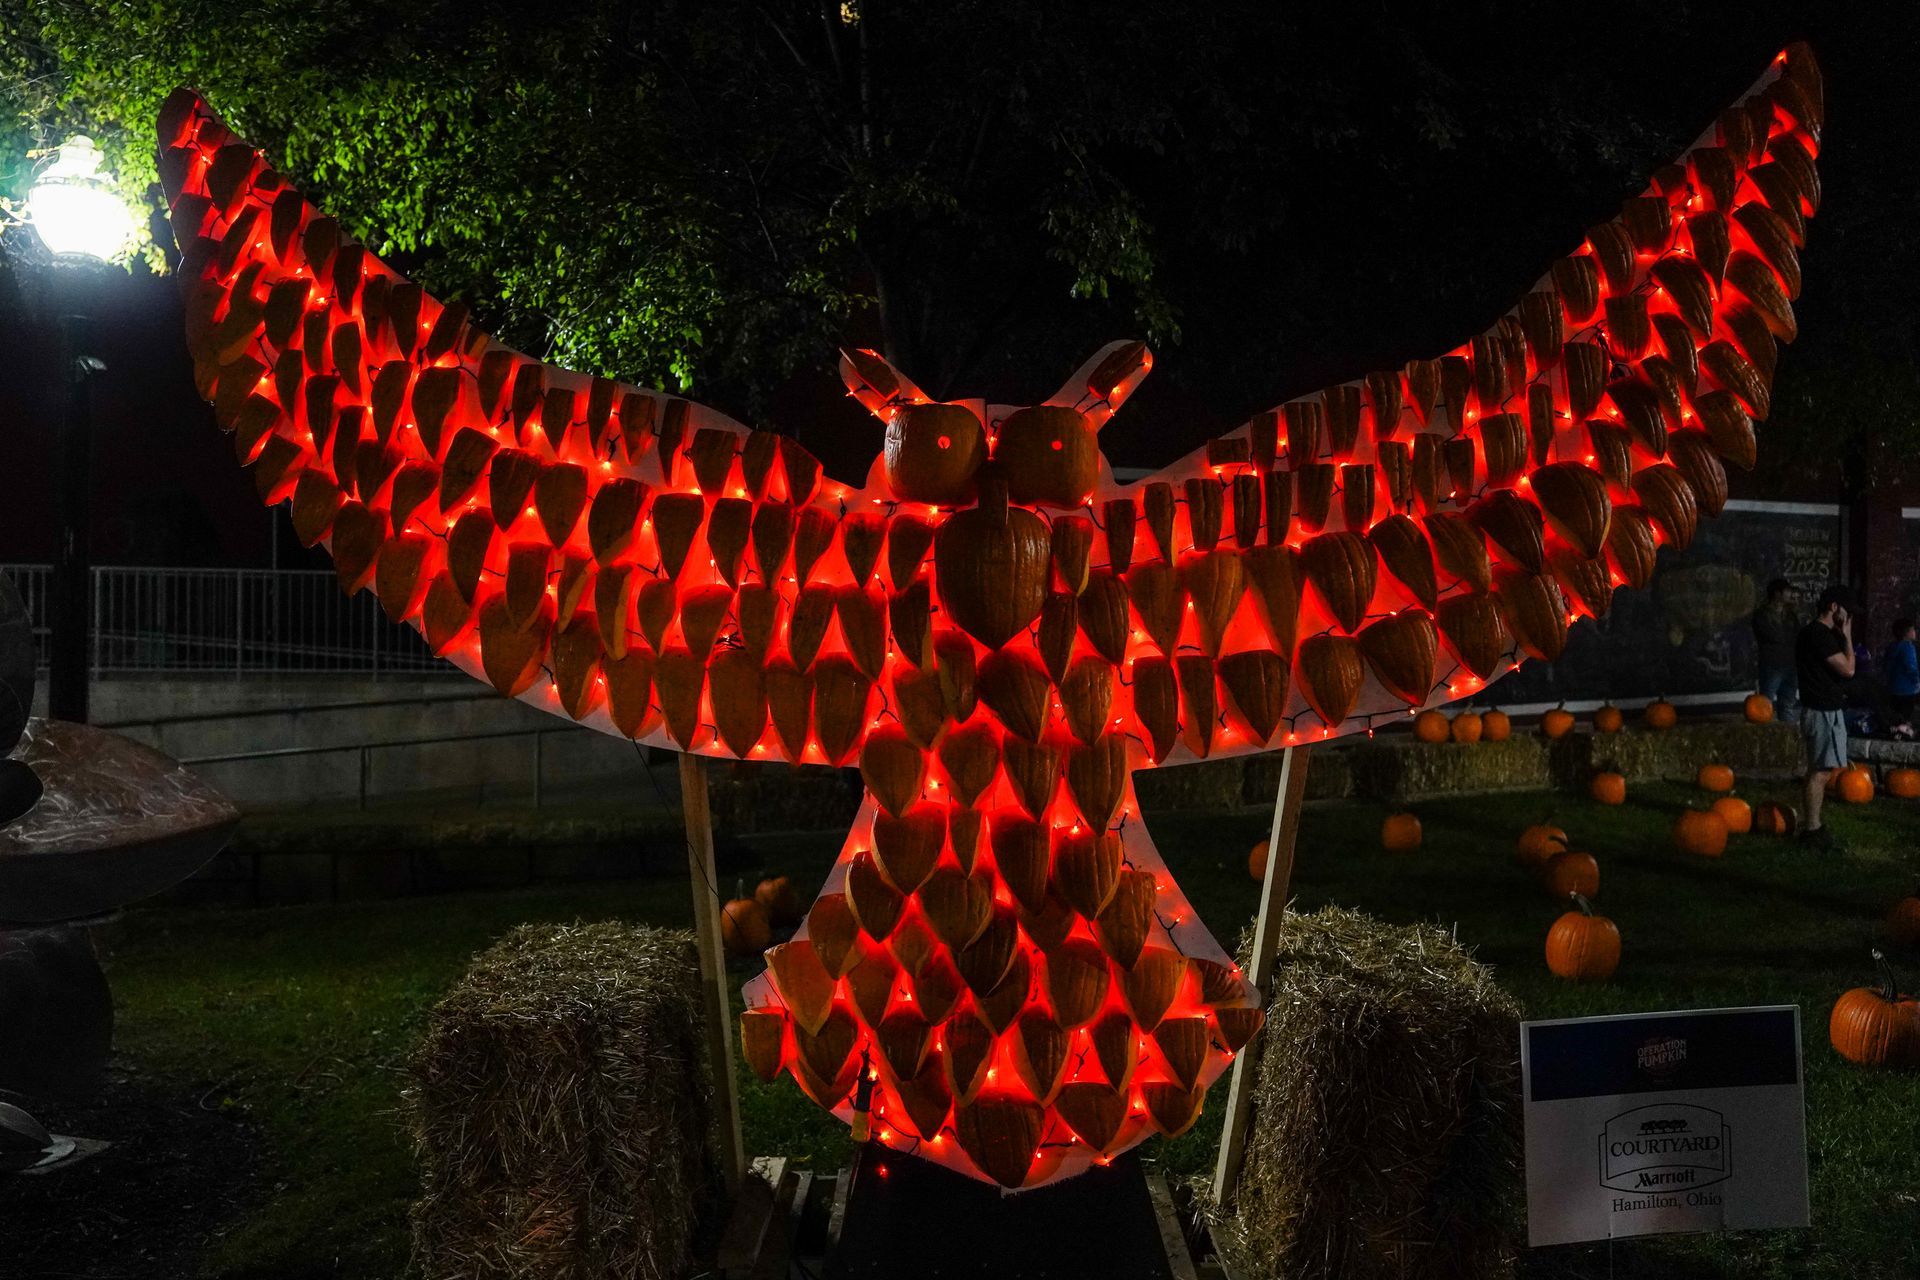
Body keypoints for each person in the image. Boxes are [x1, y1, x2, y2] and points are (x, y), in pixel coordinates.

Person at [1796, 585, 1854, 849]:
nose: (1848, 617)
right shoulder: (1818, 635)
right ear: (1834, 608)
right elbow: (1848, 669)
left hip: (1823, 708)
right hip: (1821, 710)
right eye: (1846, 611)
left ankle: (1814, 826)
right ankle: (1812, 829)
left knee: (1821, 770)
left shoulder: (1817, 634)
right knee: (1820, 772)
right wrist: (1848, 638)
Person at [1752, 578, 1799, 715]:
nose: (1791, 594)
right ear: (1777, 594)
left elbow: (1796, 635)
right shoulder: (1762, 615)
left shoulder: (1790, 616)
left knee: (1788, 705)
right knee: (1764, 707)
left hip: (1790, 665)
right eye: (1787, 591)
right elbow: (1773, 636)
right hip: (1771, 666)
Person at [1887, 617, 1919, 729]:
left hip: (1893, 688)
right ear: (1907, 633)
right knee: (1906, 719)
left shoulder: (1892, 646)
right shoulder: (1908, 647)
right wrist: (1917, 682)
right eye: (1913, 630)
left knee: (1896, 716)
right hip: (1907, 690)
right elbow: (1911, 667)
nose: (1915, 632)